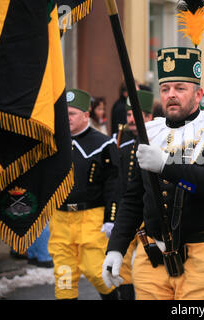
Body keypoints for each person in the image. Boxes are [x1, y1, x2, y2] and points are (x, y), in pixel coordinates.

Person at [102, 45, 204, 300]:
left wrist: (166, 165)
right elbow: (134, 197)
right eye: (165, 89)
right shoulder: (150, 132)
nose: (171, 95)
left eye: (180, 88)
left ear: (198, 95)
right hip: (151, 254)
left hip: (203, 255)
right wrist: (117, 248)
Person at [48, 89, 121, 300]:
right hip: (60, 218)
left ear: (86, 116)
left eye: (72, 113)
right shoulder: (53, 141)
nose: (66, 118)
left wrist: (111, 218)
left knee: (96, 272)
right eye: (64, 113)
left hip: (91, 217)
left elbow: (113, 185)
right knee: (64, 276)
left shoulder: (103, 144)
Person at [114, 89, 154, 300]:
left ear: (148, 117)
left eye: (135, 115)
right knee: (123, 266)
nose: (131, 119)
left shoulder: (156, 141)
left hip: (148, 213)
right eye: (128, 115)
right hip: (127, 211)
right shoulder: (122, 142)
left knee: (148, 266)